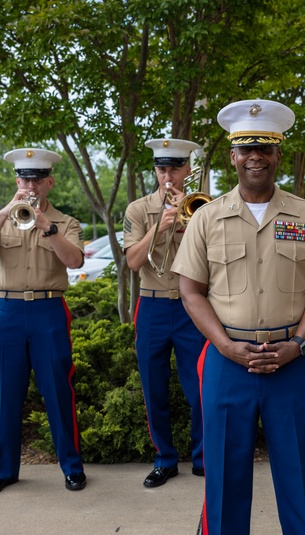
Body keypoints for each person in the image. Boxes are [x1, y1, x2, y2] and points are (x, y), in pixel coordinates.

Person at [172, 99, 305, 535]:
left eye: (265, 147)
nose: (256, 156)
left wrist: (299, 342)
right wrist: (223, 345)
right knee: (222, 477)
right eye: (247, 147)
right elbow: (190, 289)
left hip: (291, 360)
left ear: (277, 153)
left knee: (298, 477)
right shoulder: (206, 218)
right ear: (232, 154)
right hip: (228, 360)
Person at [0, 148, 88, 495]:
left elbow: (76, 261)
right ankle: (3, 470)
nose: (31, 185)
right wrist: (8, 209)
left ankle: (72, 467)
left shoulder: (66, 222)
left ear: (49, 181)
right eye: (24, 178)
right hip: (7, 311)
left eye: (37, 179)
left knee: (57, 391)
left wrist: (48, 229)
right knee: (5, 393)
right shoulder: (1, 216)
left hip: (48, 310)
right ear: (17, 180)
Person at [123, 137, 206, 487]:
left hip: (193, 304)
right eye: (161, 168)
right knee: (154, 386)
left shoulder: (204, 206)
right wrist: (160, 227)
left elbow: (215, 257)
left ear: (188, 170)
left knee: (200, 386)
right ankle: (165, 458)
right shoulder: (138, 210)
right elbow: (133, 261)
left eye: (174, 168)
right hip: (153, 303)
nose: (167, 175)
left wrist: (188, 223)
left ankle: (204, 457)